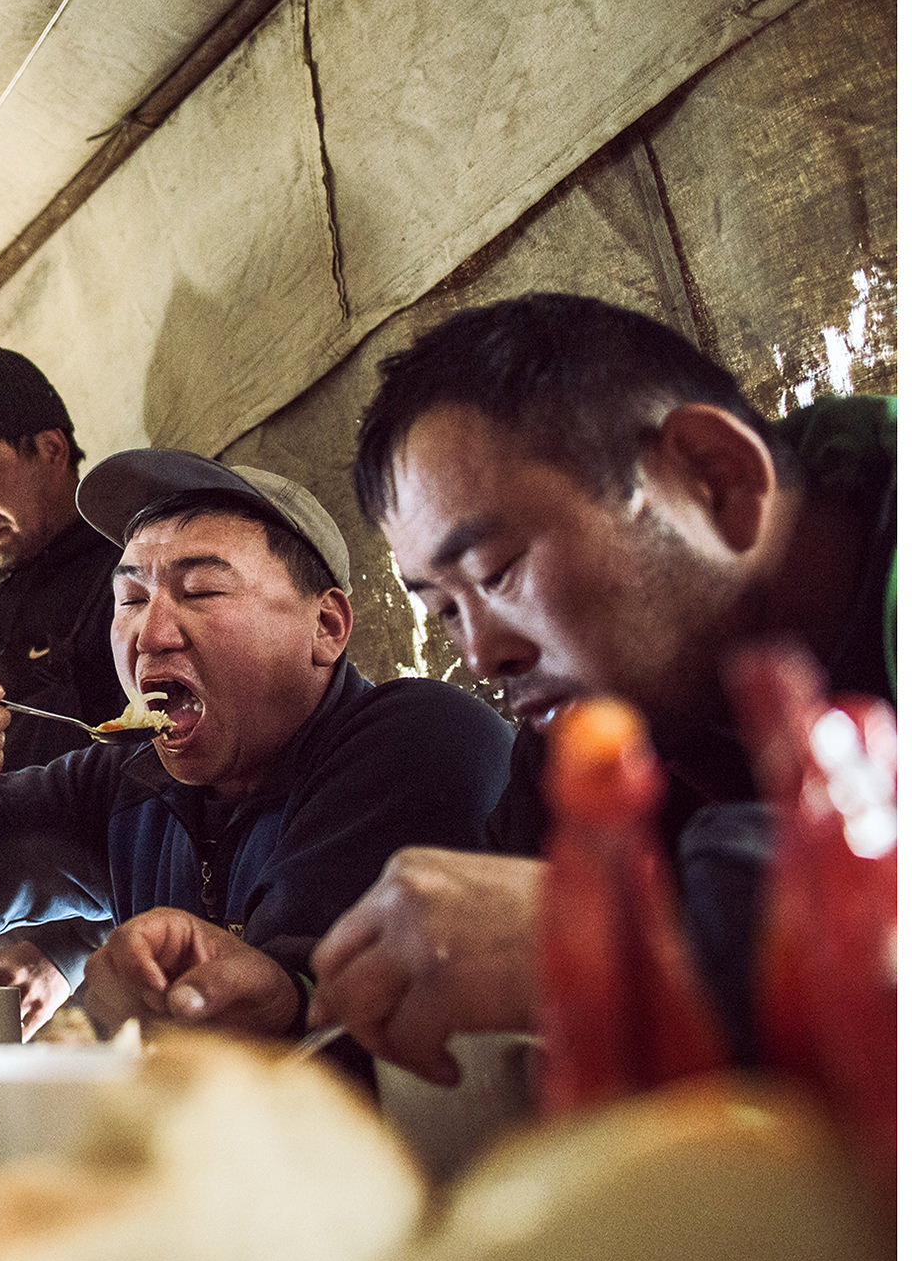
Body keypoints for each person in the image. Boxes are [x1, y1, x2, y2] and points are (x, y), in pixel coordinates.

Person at [310, 294, 895, 1081]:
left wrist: (614, 937)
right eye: (445, 610)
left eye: (497, 573)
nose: (482, 655)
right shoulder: (586, 737)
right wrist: (306, 996)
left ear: (714, 479)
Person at [0, 450, 515, 1044]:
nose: (150, 633)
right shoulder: (129, 783)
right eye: (130, 598)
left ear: (327, 625)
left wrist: (268, 997)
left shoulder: (416, 742)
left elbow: (327, 1011)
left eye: (201, 590)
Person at [0, 346, 132, 1032]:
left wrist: (70, 948)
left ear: (50, 448)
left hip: (120, 961)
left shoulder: (126, 582)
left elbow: (174, 792)